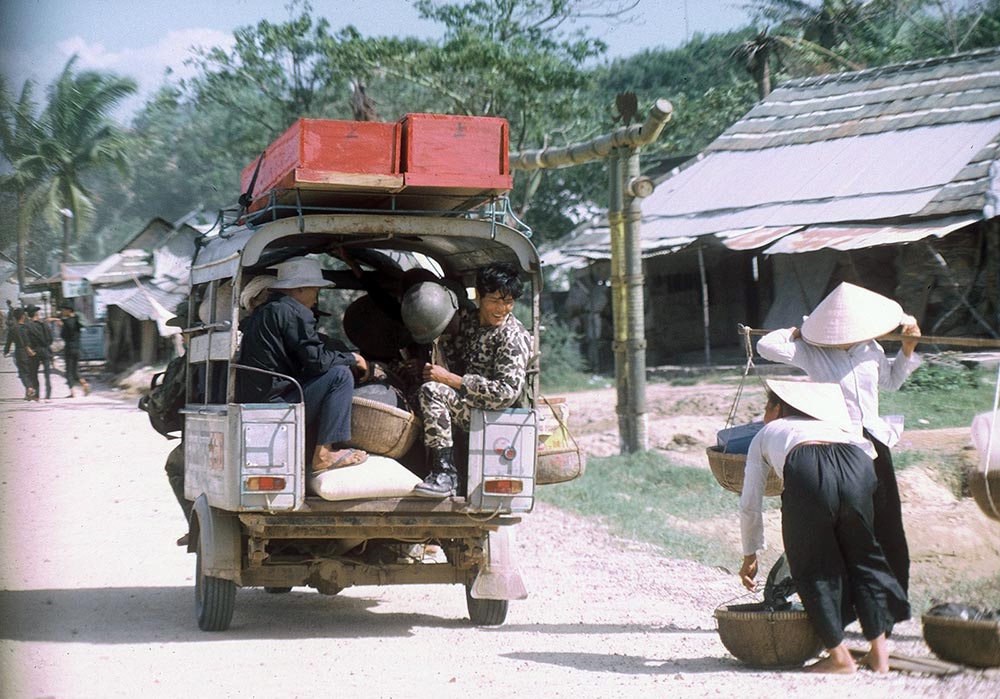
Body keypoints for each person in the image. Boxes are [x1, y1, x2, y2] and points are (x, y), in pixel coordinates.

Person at [756, 282, 920, 594]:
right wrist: (799, 332)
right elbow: (766, 346)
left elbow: (892, 382)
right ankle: (840, 596)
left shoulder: (871, 349)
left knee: (886, 521)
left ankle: (891, 599)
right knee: (846, 522)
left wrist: (907, 350)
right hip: (835, 441)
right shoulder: (812, 352)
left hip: (874, 439)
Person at [738, 379, 910, 674]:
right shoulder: (834, 426)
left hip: (807, 466)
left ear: (777, 409)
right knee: (863, 560)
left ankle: (840, 657)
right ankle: (879, 655)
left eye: (766, 407)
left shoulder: (767, 432)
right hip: (858, 463)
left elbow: (750, 502)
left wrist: (750, 554)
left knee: (812, 564)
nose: (763, 415)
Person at [404, 262, 532, 498]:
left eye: (509, 302)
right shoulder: (470, 323)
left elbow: (504, 393)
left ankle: (445, 474)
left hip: (493, 415)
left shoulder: (512, 336)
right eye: (495, 300)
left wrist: (450, 380)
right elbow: (455, 355)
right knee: (413, 393)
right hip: (471, 405)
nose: (502, 309)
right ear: (480, 296)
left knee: (432, 391)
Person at [237, 256, 369, 473]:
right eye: (315, 291)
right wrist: (353, 358)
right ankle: (324, 454)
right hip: (276, 402)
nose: (316, 299)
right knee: (340, 375)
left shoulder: (266, 312)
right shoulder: (292, 311)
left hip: (260, 399)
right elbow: (317, 362)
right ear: (299, 289)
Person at [54, 302, 91, 397]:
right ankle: (85, 384)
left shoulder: (66, 322)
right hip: (77, 348)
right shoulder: (78, 321)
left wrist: (61, 327)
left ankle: (72, 392)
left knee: (69, 371)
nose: (62, 311)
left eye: (64, 310)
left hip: (69, 348)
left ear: (68, 310)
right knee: (75, 371)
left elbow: (64, 336)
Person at [22, 304, 53, 401]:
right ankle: (48, 395)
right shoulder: (44, 324)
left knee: (34, 374)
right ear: (37, 313)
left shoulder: (27, 326)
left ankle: (37, 395)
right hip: (45, 350)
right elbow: (50, 339)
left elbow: (26, 340)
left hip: (35, 351)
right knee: (47, 374)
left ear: (28, 314)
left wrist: (29, 348)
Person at [4, 306, 31, 399]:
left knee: (22, 373)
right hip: (30, 351)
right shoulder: (28, 327)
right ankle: (28, 392)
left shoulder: (12, 329)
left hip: (19, 352)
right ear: (23, 316)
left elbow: (8, 342)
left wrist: (6, 351)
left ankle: (29, 388)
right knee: (29, 372)